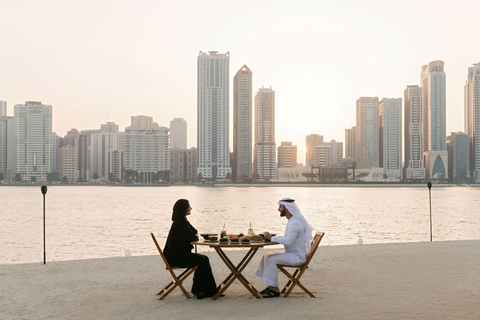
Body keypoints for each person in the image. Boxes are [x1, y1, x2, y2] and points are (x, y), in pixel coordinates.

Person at [255, 197, 314, 298]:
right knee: (267, 255)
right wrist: (272, 238)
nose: (278, 209)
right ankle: (271, 286)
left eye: (280, 207)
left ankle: (274, 289)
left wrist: (272, 238)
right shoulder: (292, 220)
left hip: (297, 256)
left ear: (286, 209)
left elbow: (289, 241)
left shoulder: (295, 222)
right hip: (293, 253)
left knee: (271, 259)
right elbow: (288, 239)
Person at [163, 199, 219, 299]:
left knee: (203, 259)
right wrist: (194, 237)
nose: (190, 208)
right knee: (202, 260)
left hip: (179, 255)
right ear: (183, 209)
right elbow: (183, 241)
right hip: (175, 258)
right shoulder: (178, 224)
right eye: (188, 207)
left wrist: (193, 235)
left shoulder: (183, 221)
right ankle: (204, 290)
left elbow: (194, 232)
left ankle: (203, 290)